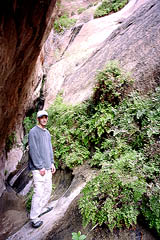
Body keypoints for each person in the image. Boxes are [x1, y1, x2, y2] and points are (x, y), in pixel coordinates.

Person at [28, 110, 56, 228]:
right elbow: (33, 150)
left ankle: (40, 210)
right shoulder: (33, 132)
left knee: (47, 190)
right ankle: (34, 218)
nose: (44, 119)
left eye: (46, 117)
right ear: (38, 119)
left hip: (48, 166)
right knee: (38, 192)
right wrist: (40, 166)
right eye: (42, 117)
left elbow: (49, 149)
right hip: (38, 168)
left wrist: (52, 163)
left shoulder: (47, 133)